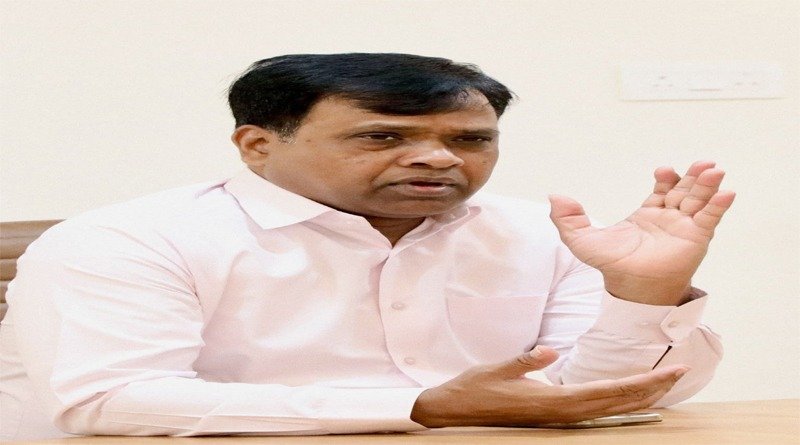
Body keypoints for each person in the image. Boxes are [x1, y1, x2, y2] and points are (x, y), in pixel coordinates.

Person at [0, 53, 735, 440]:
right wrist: (421, 407)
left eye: (470, 139)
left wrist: (643, 293)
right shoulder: (128, 239)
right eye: (384, 136)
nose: (439, 158)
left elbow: (589, 398)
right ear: (257, 145)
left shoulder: (541, 232)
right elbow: (109, 401)